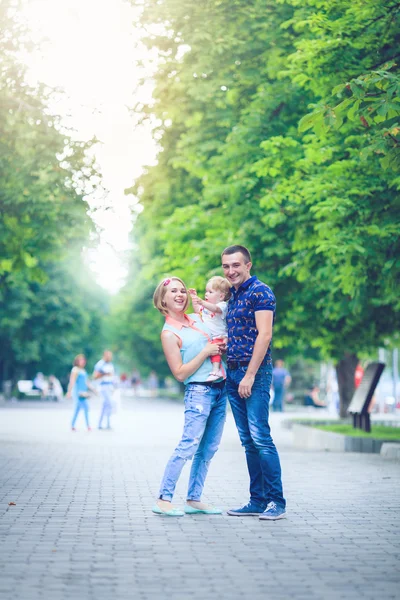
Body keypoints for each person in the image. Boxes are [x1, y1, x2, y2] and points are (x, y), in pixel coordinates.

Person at [152, 276, 227, 517]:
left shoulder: (198, 318)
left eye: (182, 290)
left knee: (209, 448)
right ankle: (164, 498)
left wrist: (219, 347)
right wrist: (206, 350)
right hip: (199, 391)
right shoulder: (169, 333)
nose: (180, 294)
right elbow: (179, 372)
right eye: (173, 291)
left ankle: (194, 499)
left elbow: (216, 334)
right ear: (163, 299)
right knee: (189, 444)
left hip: (220, 388)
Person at [221, 245, 286, 521]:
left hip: (254, 375)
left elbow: (265, 335)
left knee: (261, 438)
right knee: (248, 441)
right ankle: (257, 500)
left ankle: (276, 502)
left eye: (236, 265)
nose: (231, 271)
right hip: (233, 373)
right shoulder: (234, 295)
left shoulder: (261, 292)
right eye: (225, 266)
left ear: (248, 265)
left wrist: (249, 375)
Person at [188, 276, 231, 381]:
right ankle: (213, 370)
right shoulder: (206, 308)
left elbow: (215, 309)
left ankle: (216, 371)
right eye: (206, 291)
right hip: (209, 336)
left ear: (221, 296)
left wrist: (202, 302)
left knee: (215, 351)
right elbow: (198, 310)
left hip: (219, 336)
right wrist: (194, 298)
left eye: (210, 292)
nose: (206, 294)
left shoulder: (222, 305)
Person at [67, 354, 95, 431]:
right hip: (77, 392)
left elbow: (87, 382)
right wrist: (69, 391)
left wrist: (94, 390)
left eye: (84, 360)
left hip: (84, 392)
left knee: (77, 409)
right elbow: (72, 381)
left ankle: (72, 425)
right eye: (81, 360)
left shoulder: (83, 370)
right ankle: (88, 426)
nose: (83, 362)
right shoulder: (75, 369)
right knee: (85, 407)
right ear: (77, 361)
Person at [94, 350, 115, 430]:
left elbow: (112, 376)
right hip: (103, 387)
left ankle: (104, 423)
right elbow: (95, 376)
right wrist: (105, 374)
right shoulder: (100, 364)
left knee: (105, 406)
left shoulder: (110, 364)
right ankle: (105, 423)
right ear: (104, 355)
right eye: (108, 356)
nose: (110, 357)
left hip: (109, 386)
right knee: (109, 404)